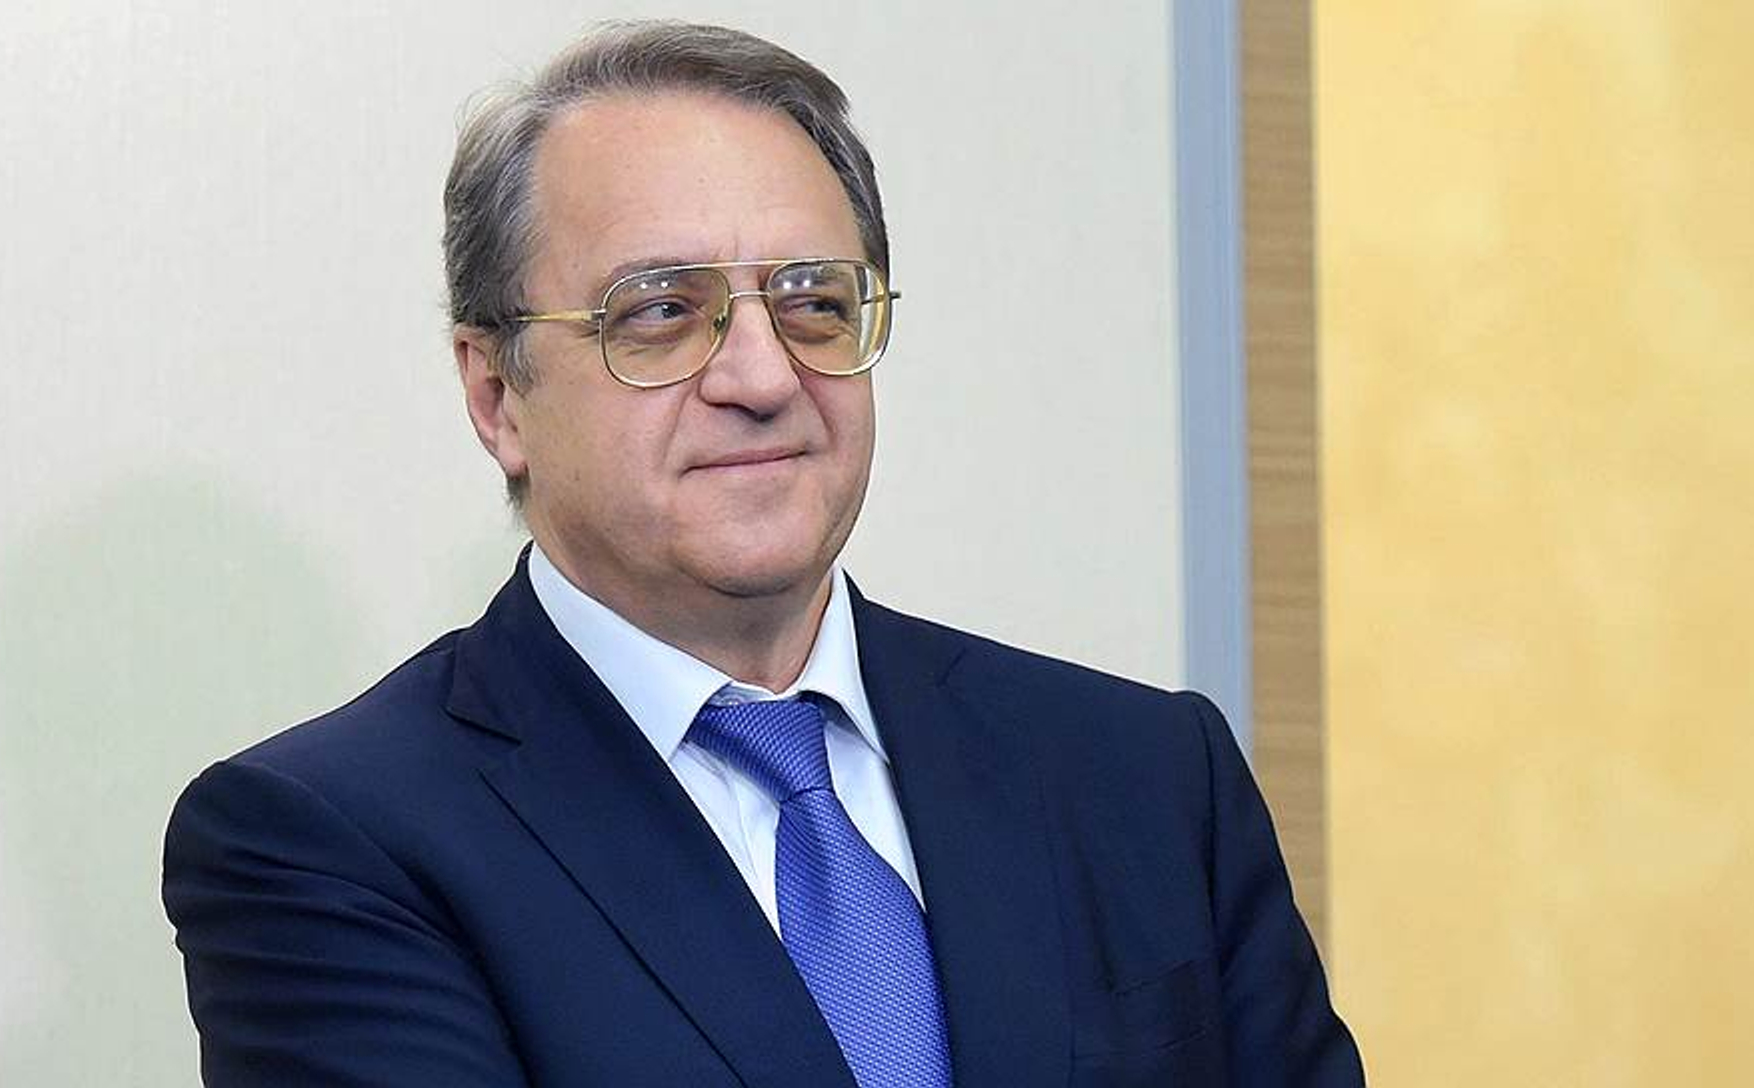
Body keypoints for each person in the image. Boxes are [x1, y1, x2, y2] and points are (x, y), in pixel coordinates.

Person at [162, 20, 1364, 1088]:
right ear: (496, 395)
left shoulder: (1143, 773)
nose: (761, 375)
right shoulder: (327, 842)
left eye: (812, 302)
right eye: (658, 311)